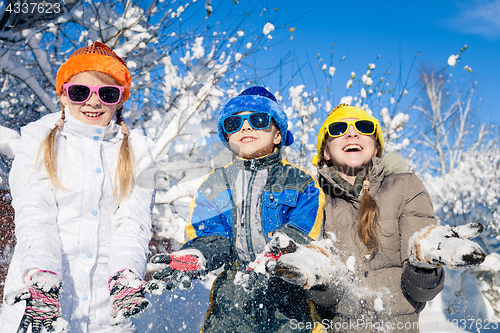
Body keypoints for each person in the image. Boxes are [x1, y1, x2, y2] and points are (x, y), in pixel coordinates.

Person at [269, 104, 486, 332]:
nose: (351, 133)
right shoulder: (312, 198)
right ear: (325, 151)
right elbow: (325, 303)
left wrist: (424, 263)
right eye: (338, 128)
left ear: (376, 147)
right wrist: (321, 278)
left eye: (363, 127)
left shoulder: (406, 186)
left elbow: (422, 293)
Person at [0, 42, 161, 333]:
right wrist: (43, 276)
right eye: (80, 92)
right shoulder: (38, 140)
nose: (93, 102)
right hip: (39, 305)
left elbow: (133, 221)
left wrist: (125, 274)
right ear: (63, 94)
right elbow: (34, 210)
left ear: (120, 99)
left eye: (107, 93)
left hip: (105, 315)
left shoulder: (140, 152)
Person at [150, 86, 326, 332]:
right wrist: (198, 254)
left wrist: (279, 251)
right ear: (227, 138)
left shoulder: (300, 182)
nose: (245, 127)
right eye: (235, 122)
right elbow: (210, 234)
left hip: (287, 294)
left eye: (258, 119)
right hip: (232, 299)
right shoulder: (215, 184)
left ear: (278, 135)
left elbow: (302, 229)